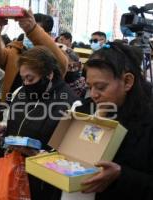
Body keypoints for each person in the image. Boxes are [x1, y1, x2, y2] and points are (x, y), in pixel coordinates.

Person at [51, 42, 153, 200]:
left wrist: (121, 174)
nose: (93, 94)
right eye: (89, 87)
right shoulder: (84, 111)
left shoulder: (147, 120)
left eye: (100, 87)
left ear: (127, 82)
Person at [0, 46, 78, 200]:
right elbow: (12, 120)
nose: (26, 84)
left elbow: (71, 159)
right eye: (23, 79)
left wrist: (35, 154)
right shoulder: (20, 93)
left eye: (31, 78)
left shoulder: (70, 104)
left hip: (45, 181)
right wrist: (3, 128)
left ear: (49, 74)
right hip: (15, 171)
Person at [0, 9, 68, 102]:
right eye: (26, 30)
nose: (29, 35)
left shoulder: (57, 53)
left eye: (34, 31)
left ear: (47, 34)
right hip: (12, 109)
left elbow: (60, 64)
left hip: (43, 110)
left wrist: (33, 30)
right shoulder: (15, 51)